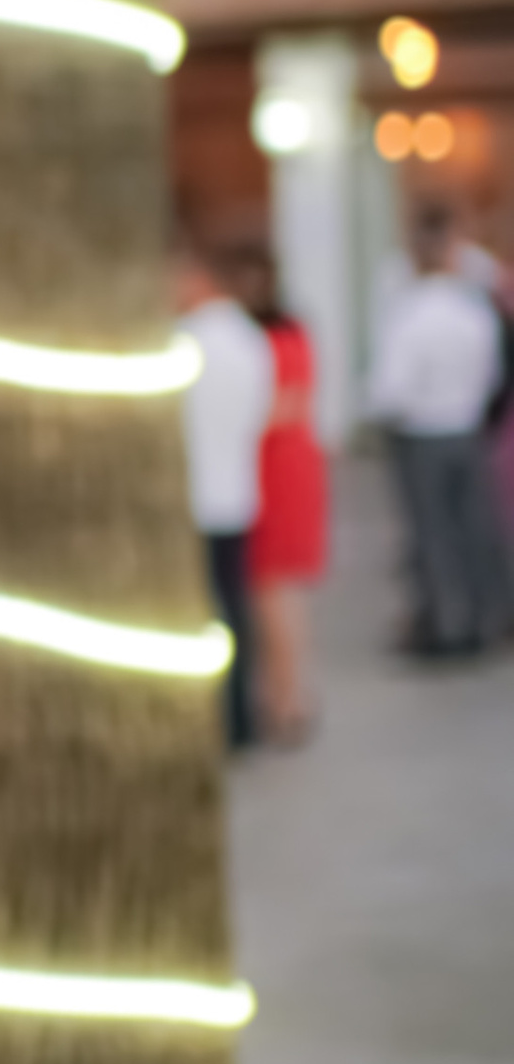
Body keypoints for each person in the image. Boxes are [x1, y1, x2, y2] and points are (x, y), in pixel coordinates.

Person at [369, 203, 512, 658]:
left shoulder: (409, 315)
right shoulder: (474, 312)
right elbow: (491, 375)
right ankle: (480, 619)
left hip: (421, 435)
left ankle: (443, 626)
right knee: (472, 528)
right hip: (467, 429)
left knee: (432, 535)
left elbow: (392, 388)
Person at [172, 234, 276, 750]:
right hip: (237, 488)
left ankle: (217, 720)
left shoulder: (182, 342)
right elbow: (262, 413)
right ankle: (241, 718)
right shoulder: (251, 338)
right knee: (235, 608)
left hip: (193, 496)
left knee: (204, 613)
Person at [232, 252, 329, 743]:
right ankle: (282, 692)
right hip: (281, 464)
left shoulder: (276, 337)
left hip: (278, 469)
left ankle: (289, 698)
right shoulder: (283, 332)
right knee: (275, 591)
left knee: (275, 590)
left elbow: (287, 402)